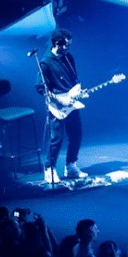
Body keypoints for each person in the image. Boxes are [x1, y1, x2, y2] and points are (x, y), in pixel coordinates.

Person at [36, 28, 86, 184]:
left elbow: (73, 79)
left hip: (71, 102)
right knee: (56, 138)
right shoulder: (45, 63)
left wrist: (79, 91)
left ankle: (71, 165)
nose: (69, 48)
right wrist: (59, 100)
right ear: (57, 43)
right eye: (67, 45)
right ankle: (49, 169)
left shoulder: (68, 58)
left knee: (76, 134)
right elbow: (41, 88)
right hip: (57, 105)